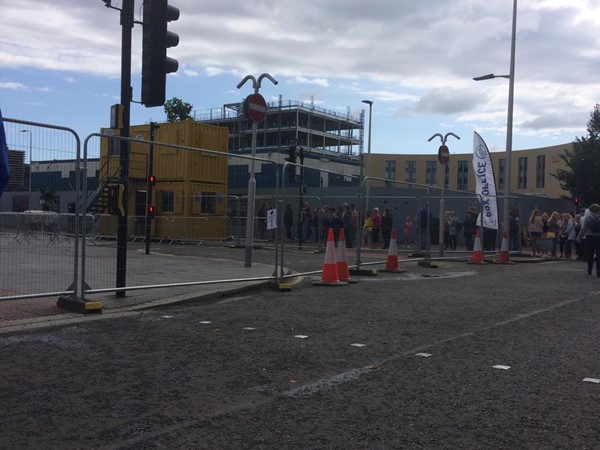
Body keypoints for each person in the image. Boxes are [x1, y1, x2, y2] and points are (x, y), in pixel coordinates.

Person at [577, 203, 600, 276]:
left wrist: (579, 237)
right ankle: (598, 270)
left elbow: (584, 229)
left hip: (589, 236)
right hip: (599, 237)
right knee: (599, 254)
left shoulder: (587, 218)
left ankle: (589, 269)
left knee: (590, 254)